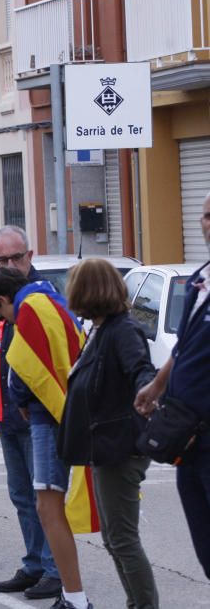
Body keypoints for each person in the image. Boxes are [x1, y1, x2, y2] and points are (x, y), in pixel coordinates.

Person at [0, 267, 91, 609]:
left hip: (46, 416)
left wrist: (21, 399)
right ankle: (67, 590)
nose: (9, 321)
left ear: (3, 300)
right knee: (44, 503)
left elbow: (24, 364)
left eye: (3, 315)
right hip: (54, 413)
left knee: (48, 505)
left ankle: (70, 592)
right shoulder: (49, 299)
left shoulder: (29, 306)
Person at [62, 259, 158, 608]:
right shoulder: (100, 330)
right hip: (106, 447)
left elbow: (141, 370)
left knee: (122, 539)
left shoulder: (122, 330)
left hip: (120, 447)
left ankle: (143, 605)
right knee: (113, 537)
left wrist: (147, 390)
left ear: (88, 290)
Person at [0, 226, 63, 600]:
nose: (10, 264)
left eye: (16, 257)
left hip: (38, 415)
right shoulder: (2, 297)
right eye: (2, 259)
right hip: (9, 412)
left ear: (30, 256)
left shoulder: (41, 296)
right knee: (21, 496)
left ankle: (54, 569)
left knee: (45, 496)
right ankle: (34, 564)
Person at [136, 192, 210, 581]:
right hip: (188, 439)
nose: (209, 223)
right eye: (207, 216)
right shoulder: (199, 280)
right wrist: (158, 386)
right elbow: (182, 349)